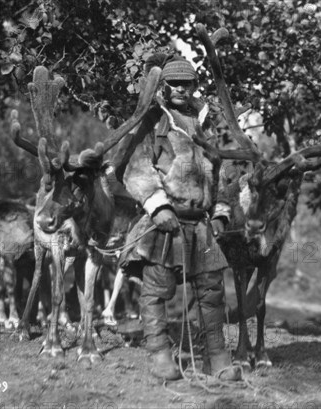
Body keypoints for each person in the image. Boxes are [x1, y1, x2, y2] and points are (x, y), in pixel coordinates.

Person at [120, 55, 240, 381]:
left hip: (201, 224)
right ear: (164, 85)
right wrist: (158, 206)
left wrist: (221, 213)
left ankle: (216, 358)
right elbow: (135, 167)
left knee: (211, 294)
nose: (179, 89)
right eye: (173, 83)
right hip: (165, 223)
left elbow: (224, 174)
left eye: (186, 83)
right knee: (157, 290)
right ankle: (160, 354)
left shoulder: (207, 124)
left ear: (194, 86)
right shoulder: (152, 122)